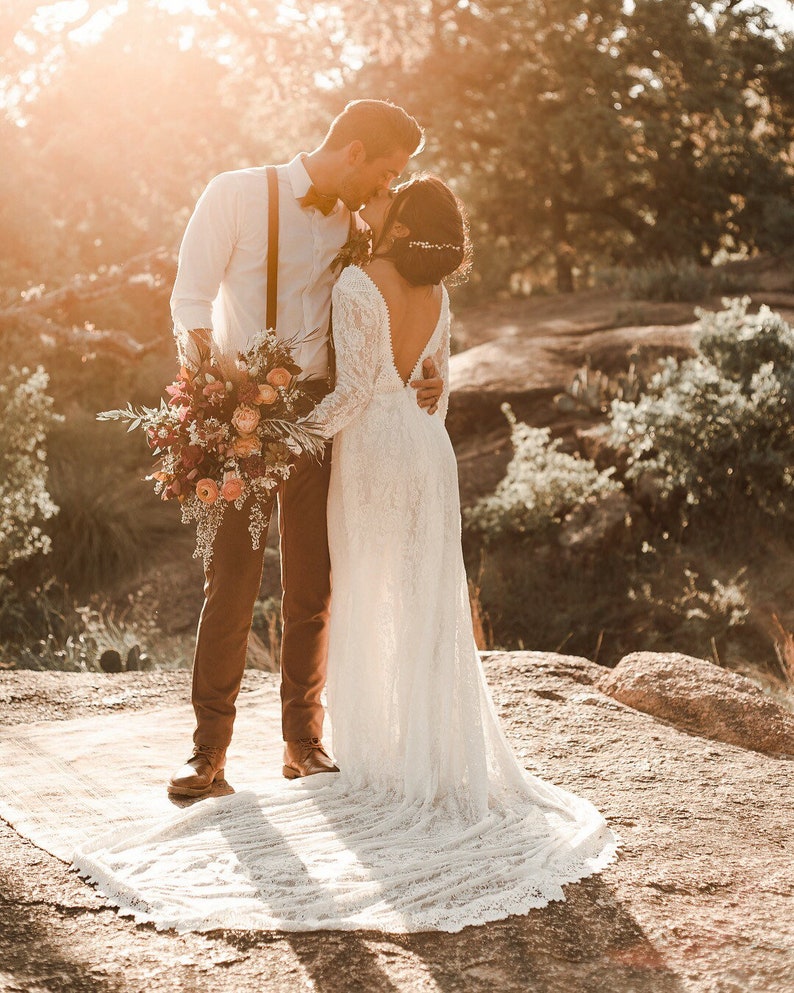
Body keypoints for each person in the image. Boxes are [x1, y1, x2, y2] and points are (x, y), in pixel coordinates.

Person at [72, 175, 618, 932]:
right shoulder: (437, 293)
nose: (380, 196)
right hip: (428, 451)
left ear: (402, 220)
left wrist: (285, 438)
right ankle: (420, 759)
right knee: (424, 601)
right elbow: (440, 387)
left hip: (358, 446)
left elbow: (358, 391)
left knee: (353, 594)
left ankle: (330, 747)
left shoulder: (361, 278)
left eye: (394, 192)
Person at [167, 100, 443, 798]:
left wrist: (422, 369)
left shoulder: (360, 226)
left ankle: (302, 742)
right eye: (385, 171)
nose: (388, 188)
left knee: (313, 583)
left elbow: (385, 311)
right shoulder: (233, 193)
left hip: (325, 414)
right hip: (241, 411)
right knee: (230, 579)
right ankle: (209, 754)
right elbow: (191, 301)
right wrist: (219, 387)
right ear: (353, 153)